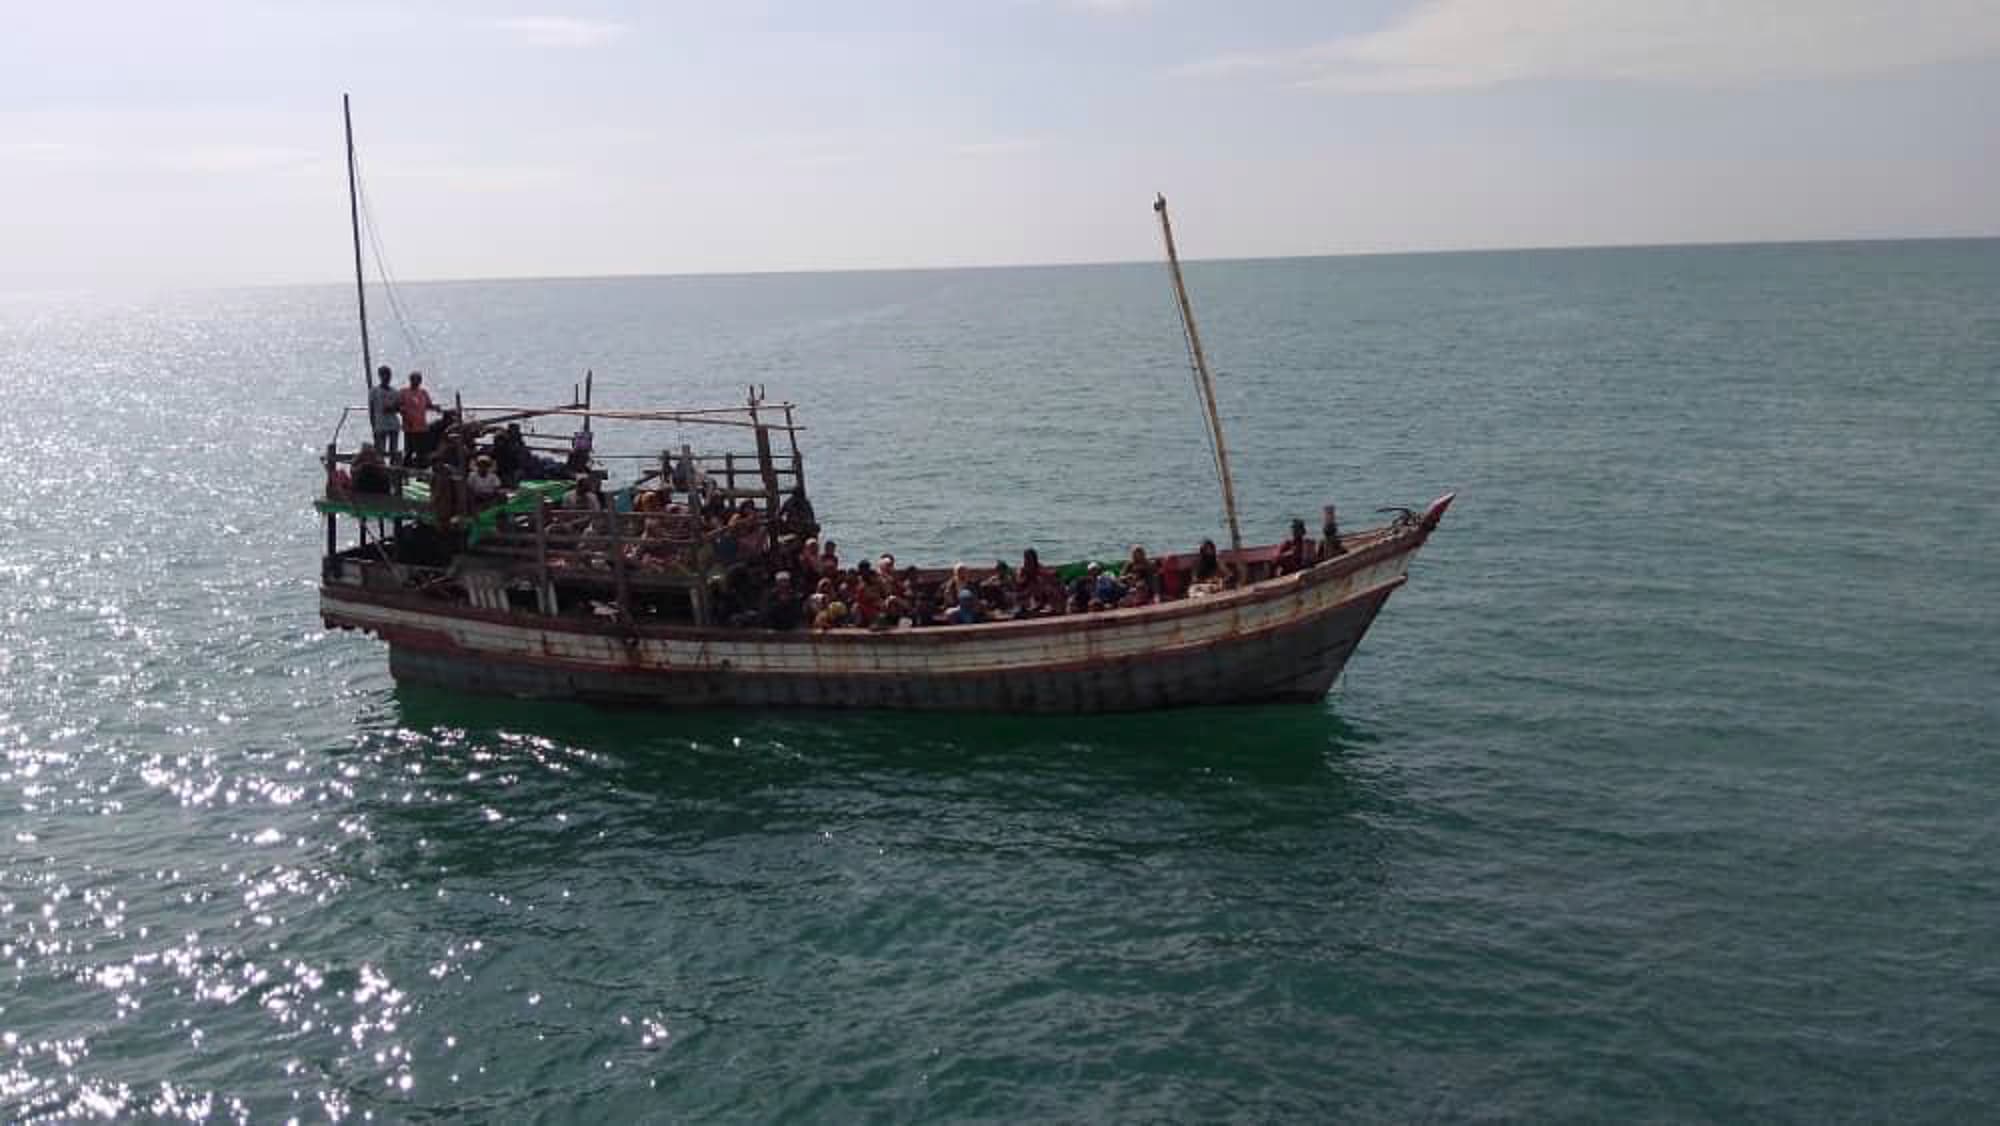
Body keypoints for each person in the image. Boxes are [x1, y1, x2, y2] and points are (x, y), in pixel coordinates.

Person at [399, 372, 443, 463]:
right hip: (410, 427)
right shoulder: (404, 392)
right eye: (414, 379)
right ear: (410, 380)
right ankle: (406, 468)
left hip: (422, 426)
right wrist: (404, 414)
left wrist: (436, 408)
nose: (417, 382)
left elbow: (428, 405)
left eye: (419, 380)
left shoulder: (423, 392)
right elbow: (399, 406)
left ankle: (421, 469)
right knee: (409, 451)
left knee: (422, 452)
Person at [368, 366, 402, 460]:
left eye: (388, 375)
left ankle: (393, 469)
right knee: (380, 451)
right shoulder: (374, 391)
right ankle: (381, 469)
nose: (387, 377)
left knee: (393, 451)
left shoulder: (395, 392)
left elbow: (399, 408)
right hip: (380, 425)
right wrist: (373, 425)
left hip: (393, 424)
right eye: (384, 375)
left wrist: (393, 408)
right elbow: (371, 410)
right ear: (380, 376)